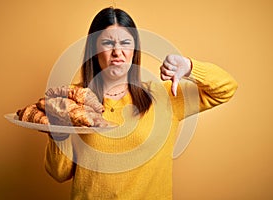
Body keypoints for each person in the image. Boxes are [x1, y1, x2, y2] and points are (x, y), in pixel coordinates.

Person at [44, 7, 238, 199]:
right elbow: (59, 173)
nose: (117, 52)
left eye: (126, 43)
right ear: (93, 50)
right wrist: (57, 130)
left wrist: (189, 67)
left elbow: (226, 88)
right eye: (108, 43)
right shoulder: (72, 101)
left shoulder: (164, 96)